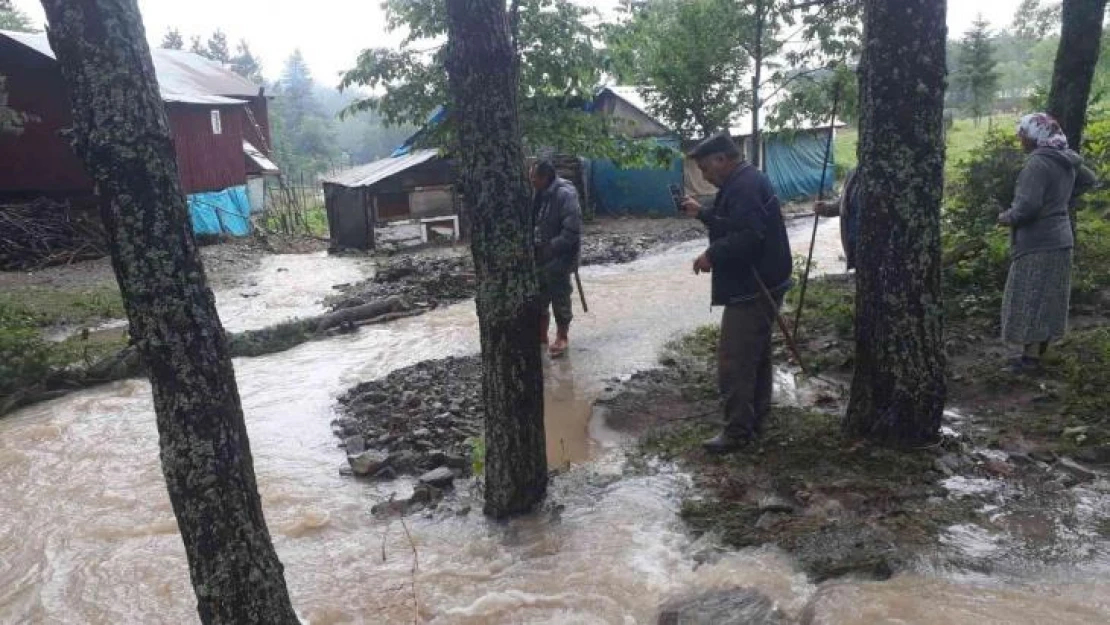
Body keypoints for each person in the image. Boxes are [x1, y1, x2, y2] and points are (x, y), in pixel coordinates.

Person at [679, 134, 794, 453]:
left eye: (705, 168)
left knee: (736, 358)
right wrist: (701, 213)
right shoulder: (744, 181)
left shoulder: (744, 186)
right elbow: (730, 223)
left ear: (721, 159)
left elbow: (747, 237)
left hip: (754, 287)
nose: (704, 175)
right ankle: (756, 417)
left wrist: (711, 256)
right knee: (755, 353)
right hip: (763, 281)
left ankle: (738, 431)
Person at [998, 113, 1096, 374]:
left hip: (1038, 241)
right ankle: (1040, 351)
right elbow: (1089, 179)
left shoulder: (1038, 163)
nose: (1019, 138)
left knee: (1031, 295)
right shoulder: (1065, 158)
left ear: (1034, 135)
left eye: (1022, 133)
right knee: (1048, 296)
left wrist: (1007, 217)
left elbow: (1027, 206)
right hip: (1061, 238)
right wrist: (1061, 201)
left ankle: (1029, 360)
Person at [531, 160, 583, 358]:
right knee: (538, 296)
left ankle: (562, 337)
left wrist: (551, 248)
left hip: (561, 254)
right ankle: (542, 336)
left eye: (534, 177)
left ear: (545, 177)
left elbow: (572, 231)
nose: (532, 181)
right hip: (539, 253)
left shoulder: (565, 194)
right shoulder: (539, 193)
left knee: (560, 296)